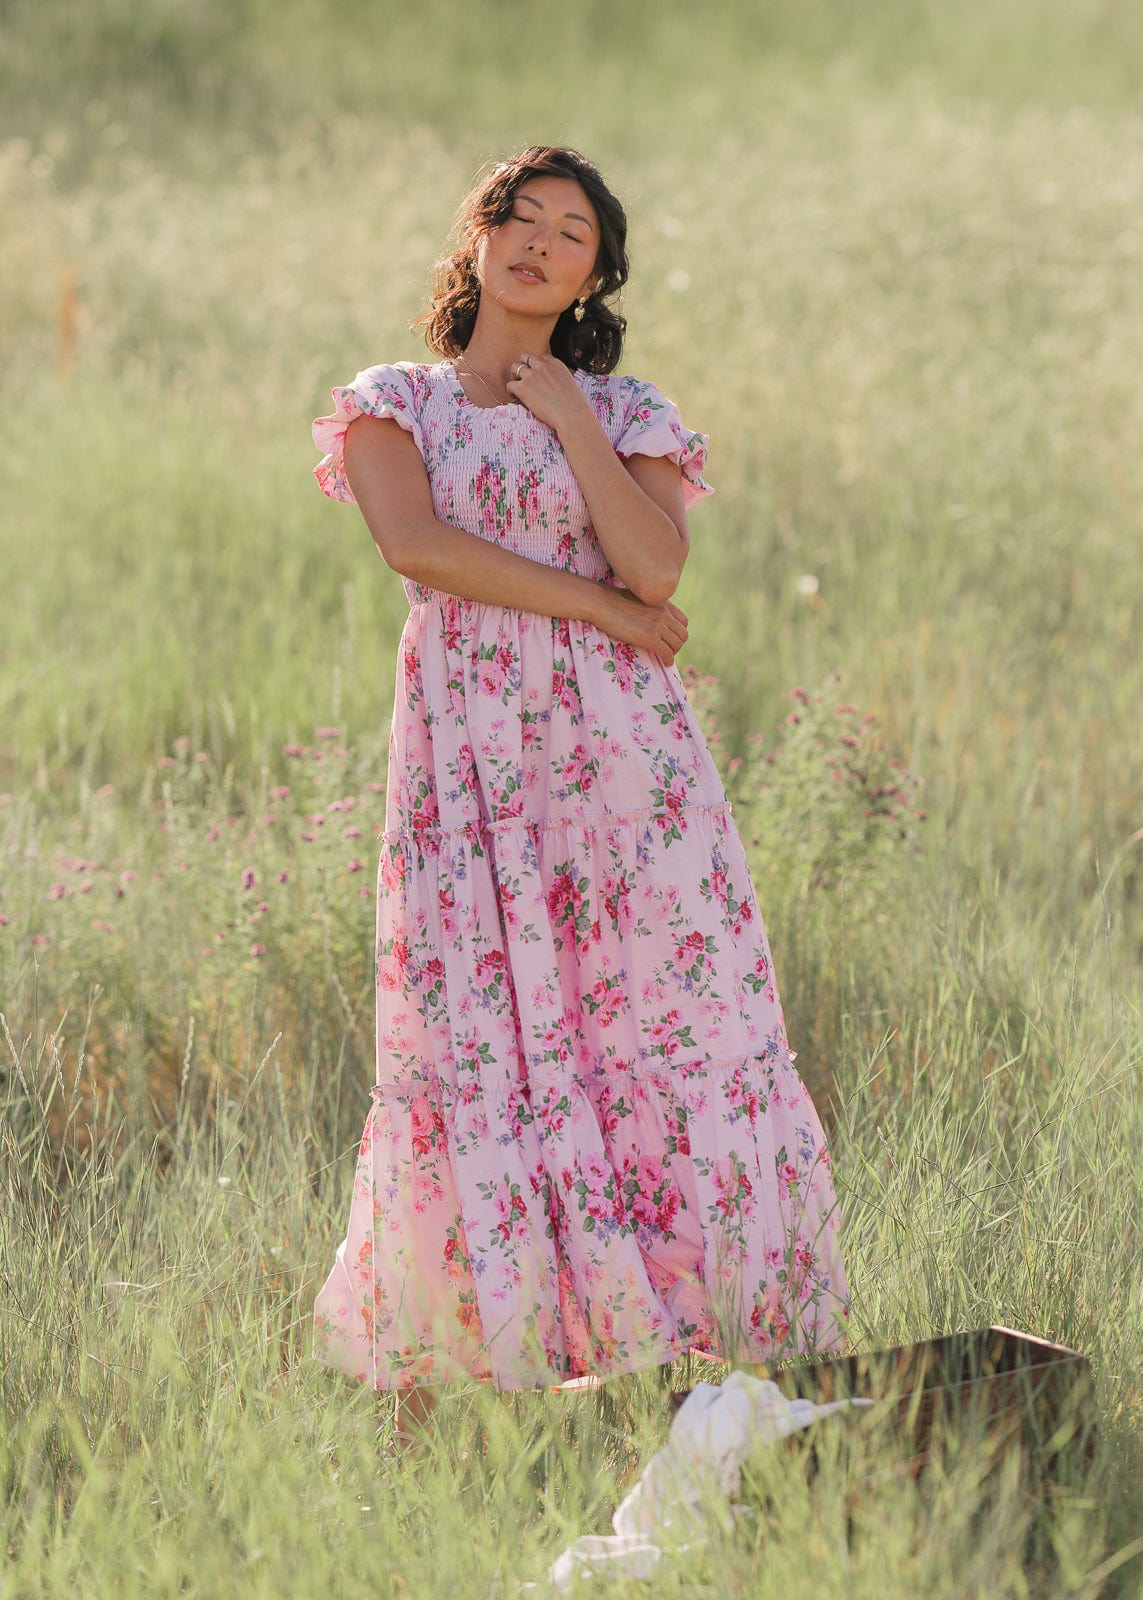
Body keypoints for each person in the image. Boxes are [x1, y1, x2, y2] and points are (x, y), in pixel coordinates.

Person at [310, 145, 849, 1440]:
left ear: (594, 275)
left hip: (625, 770)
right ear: (478, 235)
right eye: (520, 216)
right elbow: (417, 547)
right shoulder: (395, 404)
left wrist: (570, 421)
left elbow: (655, 570)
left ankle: (702, 1354)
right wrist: (594, 607)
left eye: (572, 233)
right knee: (482, 1035)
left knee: (663, 1023)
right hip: (471, 774)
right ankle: (487, 1374)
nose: (540, 242)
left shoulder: (630, 410)